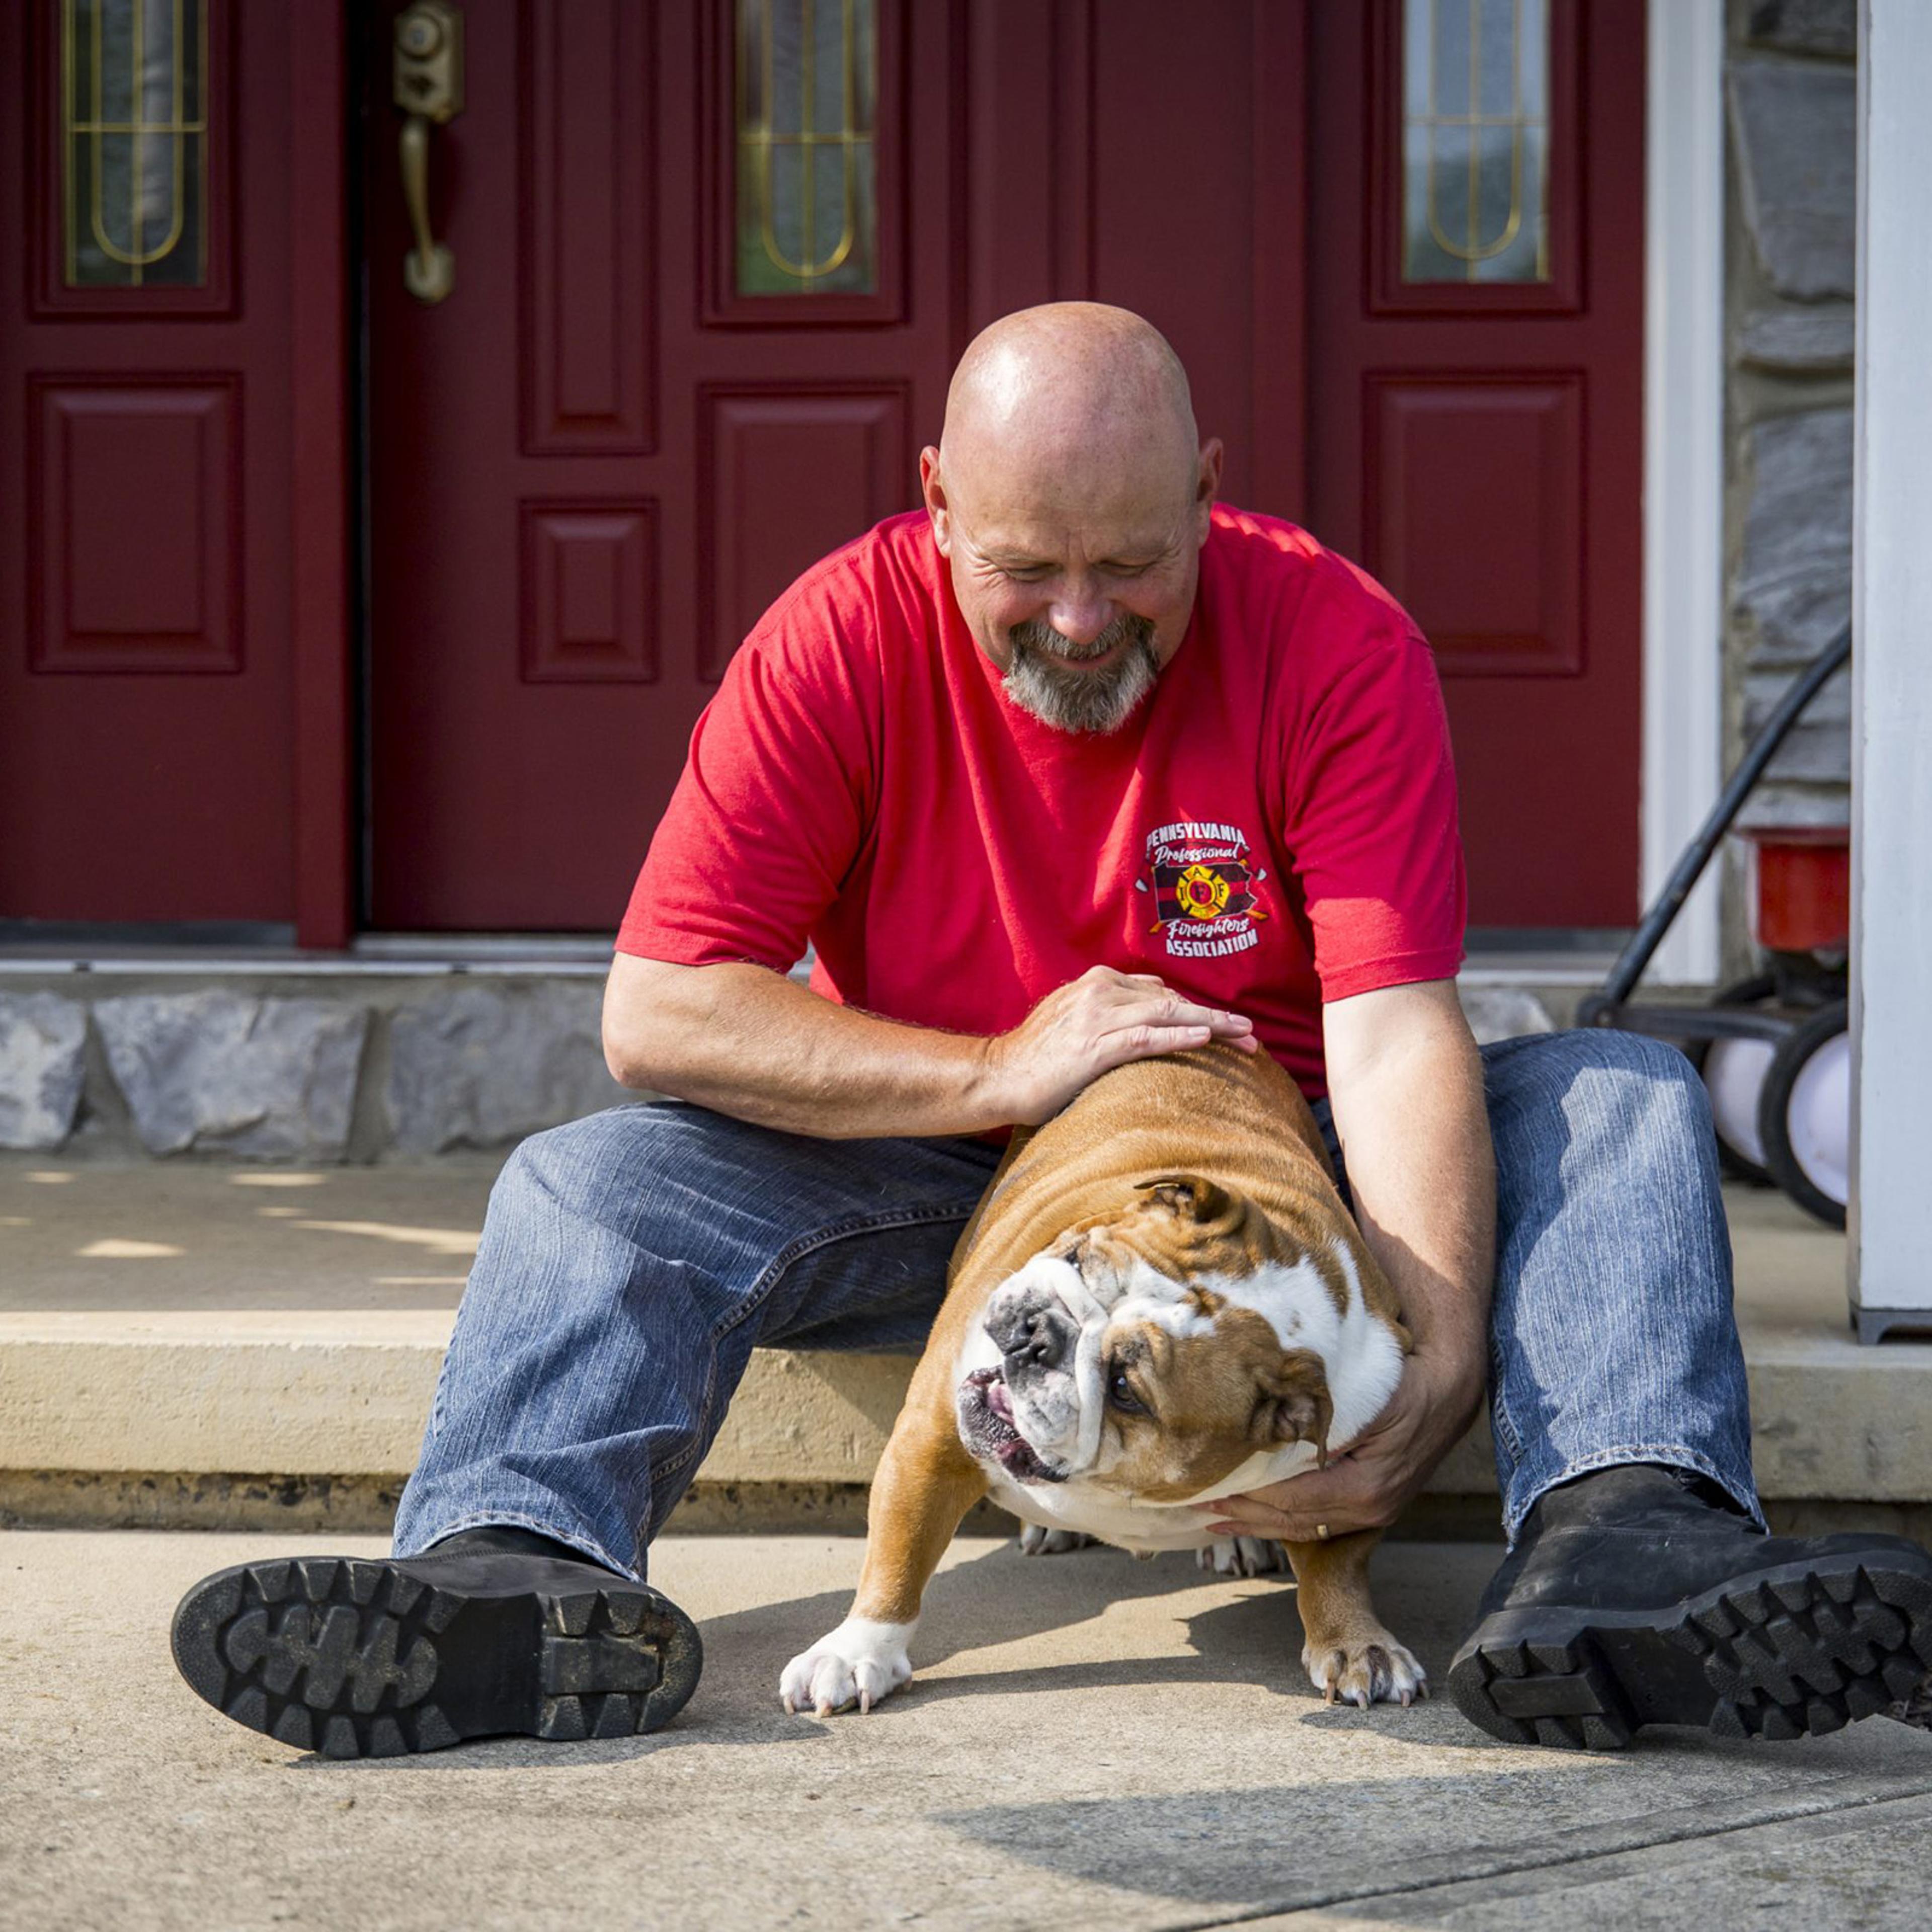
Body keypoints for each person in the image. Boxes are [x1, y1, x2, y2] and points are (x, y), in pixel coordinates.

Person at [172, 304, 1931, 1756]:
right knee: (588, 1183)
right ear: (936, 502)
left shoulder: (1332, 636)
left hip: (1271, 1161)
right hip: (948, 1174)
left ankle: (1630, 1544)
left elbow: (1393, 1031)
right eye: (1027, 569)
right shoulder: (838, 642)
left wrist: (1441, 1338)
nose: (1083, 623)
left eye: (1134, 565)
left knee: (1619, 1095)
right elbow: (656, 1011)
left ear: (1210, 497)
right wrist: (996, 1072)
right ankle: (508, 1578)